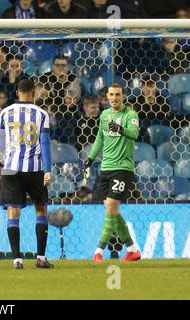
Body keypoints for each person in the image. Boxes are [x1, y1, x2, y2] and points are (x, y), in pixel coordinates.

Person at [0, 78, 54, 270]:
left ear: (17, 92)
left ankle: (17, 260)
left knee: (13, 211)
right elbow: (45, 143)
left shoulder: (5, 113)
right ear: (34, 93)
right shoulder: (41, 114)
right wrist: (48, 170)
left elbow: (1, 144)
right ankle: (41, 257)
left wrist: (6, 159)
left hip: (11, 167)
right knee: (41, 208)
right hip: (35, 168)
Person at [83, 83, 142, 263]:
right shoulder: (105, 115)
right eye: (111, 95)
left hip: (123, 168)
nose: (114, 98)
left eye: (117, 95)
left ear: (123, 96)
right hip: (105, 168)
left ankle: (98, 251)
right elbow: (100, 138)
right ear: (107, 96)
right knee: (112, 211)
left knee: (110, 208)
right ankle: (132, 249)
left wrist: (121, 130)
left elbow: (134, 133)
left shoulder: (130, 115)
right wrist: (90, 159)